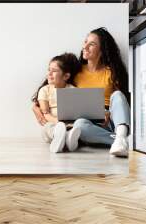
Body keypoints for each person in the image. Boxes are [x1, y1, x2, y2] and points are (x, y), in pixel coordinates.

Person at [32, 27, 131, 157]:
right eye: (85, 42)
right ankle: (119, 141)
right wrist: (35, 105)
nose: (85, 47)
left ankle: (121, 135)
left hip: (110, 119)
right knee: (79, 126)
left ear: (102, 50)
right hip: (88, 120)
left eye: (92, 44)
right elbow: (52, 83)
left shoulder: (112, 71)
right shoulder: (76, 71)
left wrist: (106, 112)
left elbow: (122, 102)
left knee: (117, 95)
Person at [32, 53, 82, 153]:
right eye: (49, 70)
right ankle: (59, 136)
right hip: (52, 124)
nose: (49, 73)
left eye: (54, 71)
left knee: (75, 128)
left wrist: (68, 124)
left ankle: (68, 139)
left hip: (69, 124)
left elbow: (78, 110)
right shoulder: (45, 90)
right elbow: (45, 113)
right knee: (48, 128)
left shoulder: (72, 90)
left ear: (66, 76)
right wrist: (59, 122)